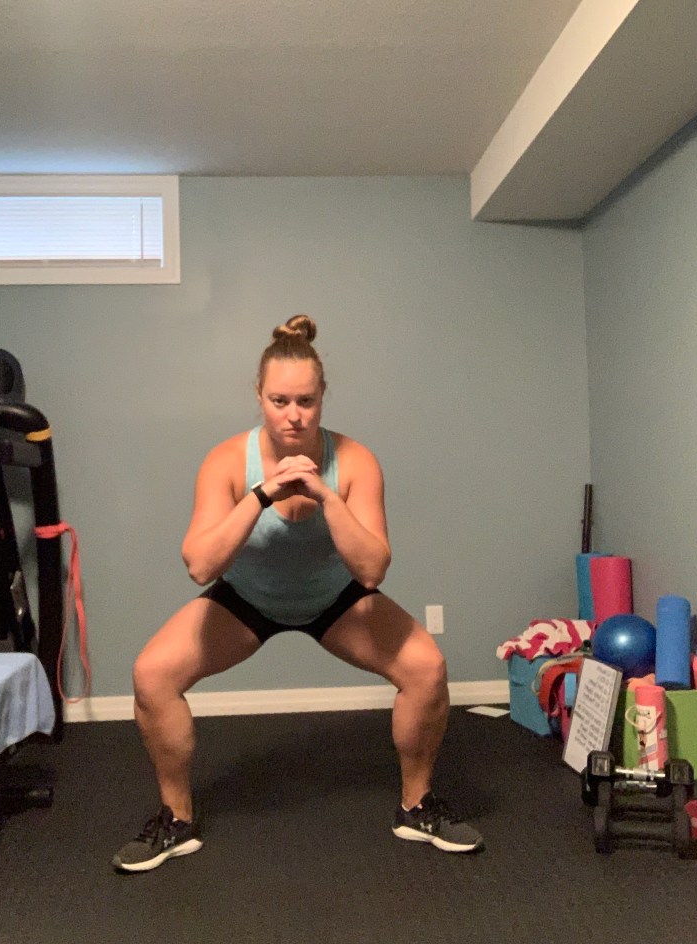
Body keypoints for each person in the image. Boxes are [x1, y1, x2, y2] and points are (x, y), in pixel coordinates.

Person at [112, 315, 483, 872]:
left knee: (427, 669)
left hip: (336, 601)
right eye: (279, 400)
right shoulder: (226, 461)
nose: (293, 415)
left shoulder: (354, 461)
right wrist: (261, 494)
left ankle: (417, 805)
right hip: (246, 601)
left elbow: (373, 570)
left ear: (323, 397)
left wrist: (327, 497)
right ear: (258, 396)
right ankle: (176, 818)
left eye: (306, 401)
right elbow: (200, 566)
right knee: (152, 675)